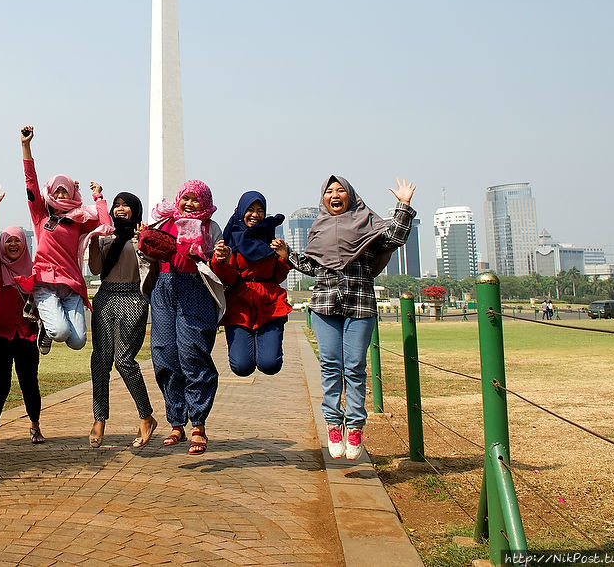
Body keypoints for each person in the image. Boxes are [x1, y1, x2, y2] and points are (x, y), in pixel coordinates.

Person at [287, 175, 416, 461]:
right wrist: (288, 256)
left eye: (340, 190)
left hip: (360, 304)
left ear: (351, 195)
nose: (334, 194)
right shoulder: (318, 228)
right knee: (331, 366)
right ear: (322, 198)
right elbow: (312, 265)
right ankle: (334, 425)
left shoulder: (367, 222)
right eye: (329, 191)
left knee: (355, 367)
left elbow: (395, 236)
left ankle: (355, 426)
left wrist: (403, 205)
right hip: (324, 305)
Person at [143, 180, 224, 455]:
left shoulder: (211, 228)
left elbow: (217, 263)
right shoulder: (164, 221)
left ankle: (198, 424)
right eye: (185, 198)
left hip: (195, 289)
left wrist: (218, 257)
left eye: (195, 200)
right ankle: (176, 421)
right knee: (163, 354)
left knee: (193, 354)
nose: (189, 204)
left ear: (205, 202)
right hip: (164, 289)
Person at [18, 125, 111, 353]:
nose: (60, 195)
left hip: (70, 284)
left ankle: (48, 326)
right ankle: (44, 325)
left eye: (65, 191)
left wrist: (99, 197)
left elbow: (106, 225)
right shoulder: (41, 213)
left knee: (78, 342)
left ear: (72, 192)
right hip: (45, 283)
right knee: (59, 332)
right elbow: (31, 181)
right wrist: (25, 146)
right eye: (57, 190)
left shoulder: (79, 218)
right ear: (50, 192)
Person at [0, 183, 44, 458]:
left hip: (26, 335)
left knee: (30, 384)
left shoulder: (35, 269)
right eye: (8, 240)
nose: (13, 243)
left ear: (24, 244)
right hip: (0, 335)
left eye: (17, 240)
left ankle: (35, 426)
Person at [86, 191, 157, 449]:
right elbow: (95, 268)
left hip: (133, 298)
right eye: (116, 205)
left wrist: (144, 242)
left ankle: (146, 416)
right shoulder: (105, 236)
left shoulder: (143, 235)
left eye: (126, 205)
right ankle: (99, 419)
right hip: (105, 297)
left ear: (135, 210)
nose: (120, 208)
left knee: (124, 360)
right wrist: (94, 240)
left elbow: (151, 267)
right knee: (100, 360)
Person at [211, 191, 292, 378]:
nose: (255, 215)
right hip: (240, 305)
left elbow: (276, 276)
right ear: (241, 212)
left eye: (260, 210)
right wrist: (219, 261)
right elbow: (227, 279)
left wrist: (283, 259)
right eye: (250, 210)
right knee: (241, 366)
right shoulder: (230, 240)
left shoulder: (269, 238)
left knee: (270, 364)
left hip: (269, 303)